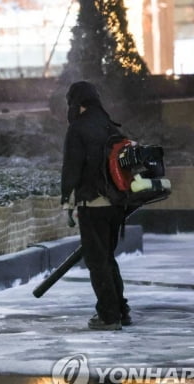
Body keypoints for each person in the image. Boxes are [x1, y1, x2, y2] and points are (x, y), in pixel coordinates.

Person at [60, 80, 131, 331]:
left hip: (93, 203)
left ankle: (109, 315)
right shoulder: (110, 125)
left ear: (77, 103)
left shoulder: (79, 129)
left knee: (97, 261)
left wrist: (67, 202)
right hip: (116, 205)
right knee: (108, 258)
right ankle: (121, 310)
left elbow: (72, 169)